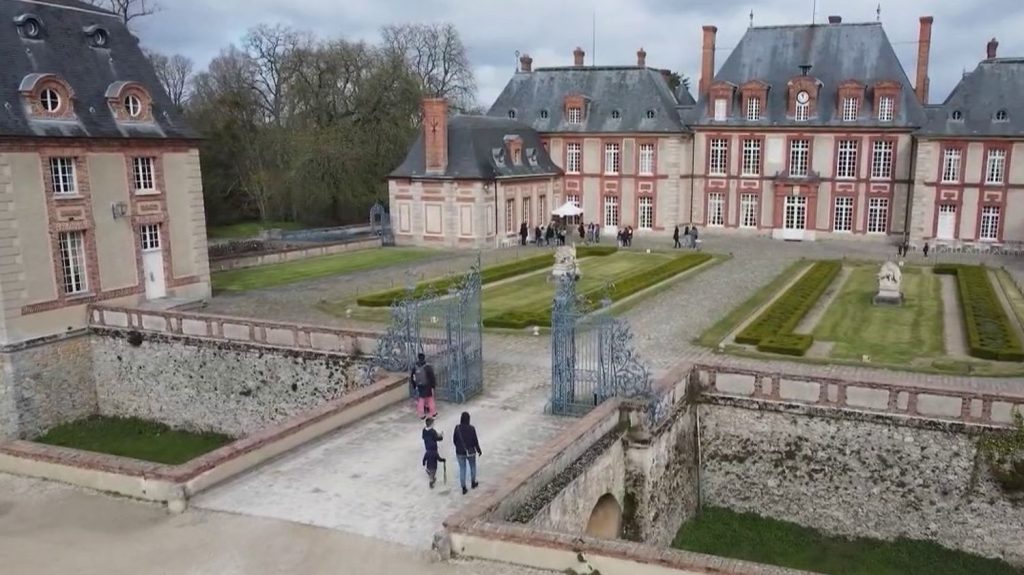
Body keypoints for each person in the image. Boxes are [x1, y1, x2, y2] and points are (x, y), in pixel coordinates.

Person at [453, 411, 482, 495]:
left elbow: (454, 440)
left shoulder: (457, 428)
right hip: (471, 451)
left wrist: (458, 447)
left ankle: (464, 488)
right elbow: (475, 441)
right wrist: (479, 450)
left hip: (460, 452)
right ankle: (473, 483)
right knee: (473, 466)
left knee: (462, 469)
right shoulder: (472, 428)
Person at [410, 353, 437, 419]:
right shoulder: (427, 367)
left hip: (420, 385)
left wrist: (414, 385)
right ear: (424, 358)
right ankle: (433, 413)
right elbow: (432, 377)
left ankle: (421, 414)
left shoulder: (415, 367)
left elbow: (412, 377)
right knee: (430, 399)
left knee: (421, 400)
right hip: (428, 385)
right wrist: (433, 386)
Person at [422, 417, 445, 489]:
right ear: (431, 424)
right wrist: (441, 435)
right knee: (434, 463)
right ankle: (431, 478)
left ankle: (430, 472)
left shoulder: (424, 430)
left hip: (428, 449)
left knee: (429, 460)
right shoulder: (433, 431)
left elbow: (423, 437)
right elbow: (439, 439)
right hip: (434, 449)